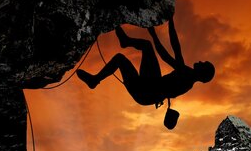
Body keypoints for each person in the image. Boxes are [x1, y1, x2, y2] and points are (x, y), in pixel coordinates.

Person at [77, 17, 215, 128]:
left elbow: (172, 50)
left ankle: (98, 76)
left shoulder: (187, 77)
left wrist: (158, 31)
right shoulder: (187, 76)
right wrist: (164, 28)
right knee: (122, 58)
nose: (201, 61)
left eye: (204, 64)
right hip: (145, 90)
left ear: (202, 74)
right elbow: (170, 52)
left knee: (144, 47)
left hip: (147, 89)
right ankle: (95, 79)